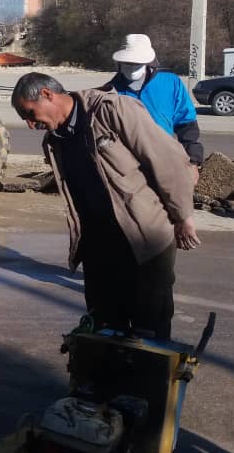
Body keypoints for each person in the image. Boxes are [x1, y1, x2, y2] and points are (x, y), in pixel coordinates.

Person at [12, 73, 200, 339]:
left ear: (46, 94)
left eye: (30, 114)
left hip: (144, 241)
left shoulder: (112, 110)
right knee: (104, 331)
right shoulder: (55, 142)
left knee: (149, 333)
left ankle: (148, 381)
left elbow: (169, 162)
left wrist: (183, 216)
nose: (31, 124)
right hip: (99, 249)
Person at [106, 34, 204, 178]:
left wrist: (193, 161)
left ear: (147, 62)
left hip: (166, 163)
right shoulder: (109, 92)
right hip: (126, 170)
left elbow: (187, 127)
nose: (132, 67)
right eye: (127, 62)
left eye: (137, 62)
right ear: (119, 63)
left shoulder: (171, 83)